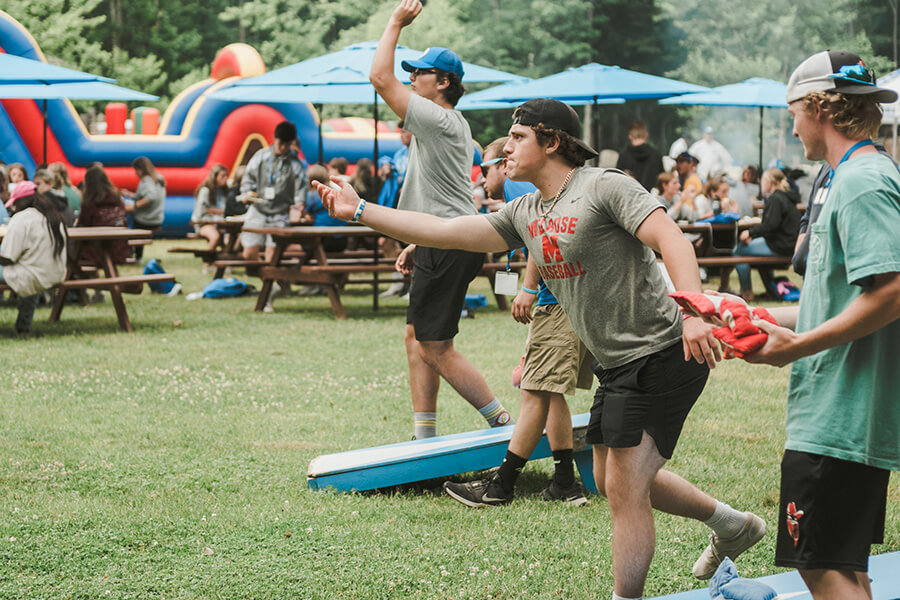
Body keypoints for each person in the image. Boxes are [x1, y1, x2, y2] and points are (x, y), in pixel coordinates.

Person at [313, 97, 766, 598]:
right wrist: (359, 210)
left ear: (551, 142)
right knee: (611, 476)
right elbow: (447, 230)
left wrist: (695, 313)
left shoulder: (604, 186)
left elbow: (671, 239)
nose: (506, 147)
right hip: (617, 363)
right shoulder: (526, 210)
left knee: (623, 490)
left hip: (663, 348)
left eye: (519, 137)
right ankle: (732, 524)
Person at [730, 51, 900, 600]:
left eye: (793, 112)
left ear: (819, 106)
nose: (792, 125)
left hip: (841, 418)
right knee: (841, 565)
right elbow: (836, 300)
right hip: (840, 416)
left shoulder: (862, 181)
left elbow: (894, 290)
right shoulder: (852, 175)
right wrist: (744, 314)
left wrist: (799, 345)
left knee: (818, 566)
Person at [369, 0, 513, 438]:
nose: (412, 79)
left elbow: (379, 77)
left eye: (420, 73)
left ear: (444, 82)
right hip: (444, 238)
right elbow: (444, 194)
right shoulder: (446, 123)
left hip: (451, 242)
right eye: (411, 72)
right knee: (417, 339)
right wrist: (419, 240)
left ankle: (503, 423)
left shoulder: (439, 118)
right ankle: (424, 438)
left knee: (434, 345)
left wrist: (395, 21)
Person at [443, 136, 593, 507]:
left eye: (483, 169)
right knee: (548, 391)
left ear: (500, 164)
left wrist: (528, 287)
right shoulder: (518, 188)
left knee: (534, 391)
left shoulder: (514, 180)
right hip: (563, 299)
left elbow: (539, 236)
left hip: (555, 300)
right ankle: (564, 483)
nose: (481, 179)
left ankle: (501, 486)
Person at [720, 168, 800, 299]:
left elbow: (770, 225)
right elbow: (771, 226)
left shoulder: (776, 198)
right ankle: (770, 290)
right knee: (757, 257)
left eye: (763, 181)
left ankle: (746, 292)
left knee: (738, 250)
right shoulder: (786, 197)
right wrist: (754, 234)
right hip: (788, 243)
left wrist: (750, 233)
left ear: (769, 182)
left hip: (780, 245)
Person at [0, 182, 67, 334]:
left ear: (22, 201)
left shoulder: (21, 218)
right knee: (28, 274)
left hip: (31, 275)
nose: (13, 207)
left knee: (25, 275)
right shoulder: (54, 216)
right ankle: (24, 326)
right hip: (54, 273)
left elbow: (8, 258)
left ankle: (24, 326)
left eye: (15, 203)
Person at [240, 121, 308, 265]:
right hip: (258, 210)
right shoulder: (261, 156)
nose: (283, 148)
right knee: (249, 253)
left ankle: (270, 283)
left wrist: (299, 205)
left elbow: (300, 191)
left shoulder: (296, 164)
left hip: (280, 213)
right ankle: (266, 277)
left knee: (273, 255)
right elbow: (248, 178)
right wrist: (247, 193)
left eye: (287, 144)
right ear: (275, 139)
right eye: (281, 143)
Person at [79, 166, 129, 266]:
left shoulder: (90, 202)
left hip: (95, 251)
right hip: (119, 249)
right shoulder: (117, 198)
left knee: (74, 248)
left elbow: (84, 224)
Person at [123, 156, 166, 260]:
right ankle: (134, 254)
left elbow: (151, 196)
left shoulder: (147, 180)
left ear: (140, 170)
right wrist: (131, 195)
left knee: (127, 222)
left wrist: (135, 206)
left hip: (146, 219)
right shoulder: (158, 178)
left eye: (136, 170)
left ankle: (134, 255)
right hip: (157, 217)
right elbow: (146, 195)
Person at [616, 121, 665, 192]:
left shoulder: (624, 156)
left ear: (630, 136)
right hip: (651, 199)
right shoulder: (656, 155)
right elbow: (661, 180)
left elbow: (617, 181)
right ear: (646, 134)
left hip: (629, 198)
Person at [191, 164, 229, 252]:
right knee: (215, 237)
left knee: (229, 240)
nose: (225, 179)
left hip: (220, 224)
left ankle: (222, 263)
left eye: (226, 176)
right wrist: (220, 212)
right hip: (204, 224)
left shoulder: (224, 192)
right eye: (222, 176)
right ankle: (208, 263)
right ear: (215, 176)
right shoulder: (206, 191)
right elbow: (201, 212)